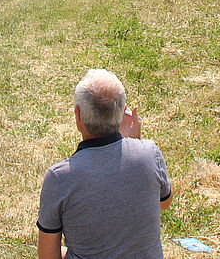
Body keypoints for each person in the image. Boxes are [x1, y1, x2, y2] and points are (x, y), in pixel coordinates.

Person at [37, 69, 174, 259]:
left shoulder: (59, 178)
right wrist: (136, 142)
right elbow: (164, 202)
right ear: (121, 111)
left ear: (78, 115)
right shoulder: (150, 153)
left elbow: (47, 256)